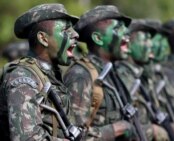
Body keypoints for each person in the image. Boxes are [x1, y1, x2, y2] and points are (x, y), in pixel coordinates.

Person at [0, 3, 87, 141]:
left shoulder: (50, 75)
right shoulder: (22, 77)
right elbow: (26, 139)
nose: (75, 34)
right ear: (43, 39)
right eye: (65, 30)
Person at [72, 5, 139, 141]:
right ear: (98, 38)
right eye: (118, 28)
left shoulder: (112, 72)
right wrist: (114, 130)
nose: (126, 34)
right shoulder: (82, 75)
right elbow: (73, 134)